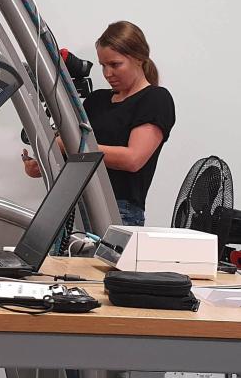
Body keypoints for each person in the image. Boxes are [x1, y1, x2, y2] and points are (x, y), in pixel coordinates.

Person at [23, 20, 176, 226]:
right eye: (103, 65)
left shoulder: (156, 99)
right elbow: (77, 157)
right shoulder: (96, 101)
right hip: (75, 204)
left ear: (139, 59)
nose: (107, 73)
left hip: (118, 211)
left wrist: (68, 145)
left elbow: (133, 159)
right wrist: (41, 163)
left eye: (115, 64)